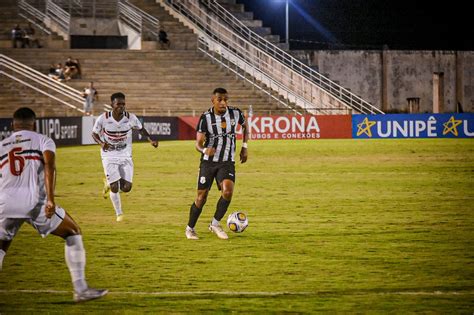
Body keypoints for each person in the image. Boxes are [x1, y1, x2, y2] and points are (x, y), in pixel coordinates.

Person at [0, 107, 108, 303]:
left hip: (5, 203)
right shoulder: (43, 140)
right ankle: (80, 289)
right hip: (35, 203)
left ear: (11, 125)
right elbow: (50, 166)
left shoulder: (2, 145)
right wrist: (50, 199)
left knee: (1, 247)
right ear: (34, 124)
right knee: (73, 231)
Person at [185, 87, 249, 240]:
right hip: (208, 163)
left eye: (226, 99)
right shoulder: (205, 118)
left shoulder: (236, 113)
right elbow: (198, 144)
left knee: (227, 191)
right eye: (219, 100)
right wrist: (204, 150)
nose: (223, 103)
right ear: (212, 100)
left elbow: (246, 126)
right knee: (201, 198)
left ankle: (215, 223)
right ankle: (190, 228)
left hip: (227, 161)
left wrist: (244, 147)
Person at [92, 92, 158, 222]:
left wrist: (151, 140)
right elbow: (94, 133)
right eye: (118, 104)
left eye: (123, 104)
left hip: (125, 154)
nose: (121, 107)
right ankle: (119, 213)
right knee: (115, 186)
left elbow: (140, 129)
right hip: (109, 155)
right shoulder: (103, 118)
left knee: (127, 188)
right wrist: (101, 143)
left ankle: (108, 183)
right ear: (112, 105)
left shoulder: (130, 118)